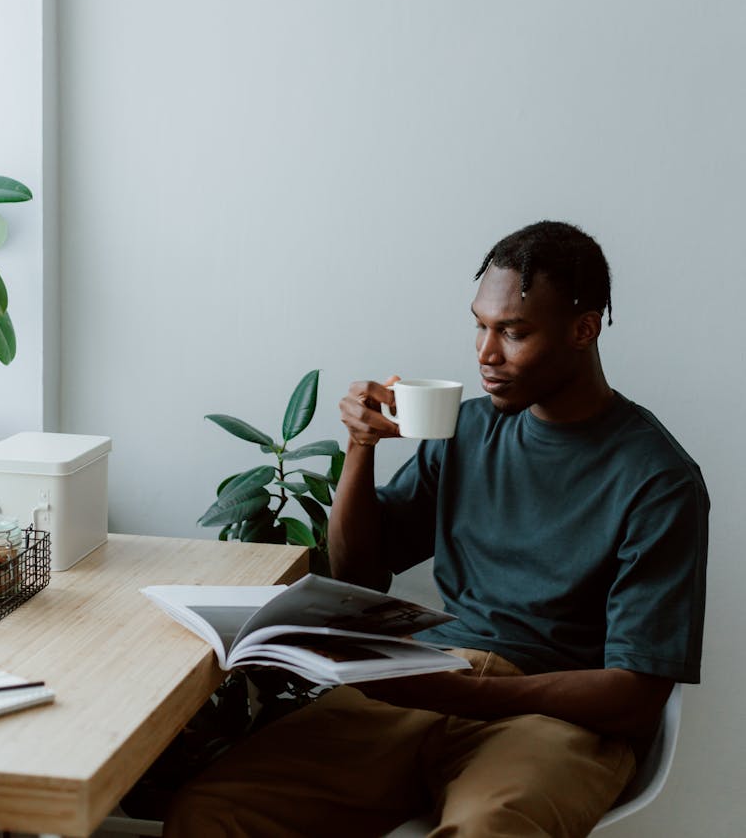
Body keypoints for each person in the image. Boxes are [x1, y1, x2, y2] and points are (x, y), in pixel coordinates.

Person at [165, 220, 708, 838]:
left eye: (513, 332)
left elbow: (636, 695)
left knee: (487, 832)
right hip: (425, 682)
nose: (485, 353)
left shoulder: (658, 479)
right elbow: (361, 572)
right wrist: (362, 449)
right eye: (480, 325)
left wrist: (465, 696)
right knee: (213, 811)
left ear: (584, 330)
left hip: (552, 716)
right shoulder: (468, 431)